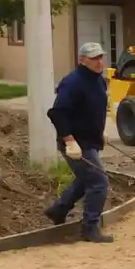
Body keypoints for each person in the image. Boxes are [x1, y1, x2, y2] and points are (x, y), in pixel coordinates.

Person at [45, 42, 114, 243]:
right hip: (76, 143)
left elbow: (93, 109)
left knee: (86, 179)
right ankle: (89, 228)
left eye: (100, 57)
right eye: (94, 58)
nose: (99, 62)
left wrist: (100, 132)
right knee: (99, 182)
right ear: (82, 60)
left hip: (90, 140)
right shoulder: (72, 83)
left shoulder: (99, 81)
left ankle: (58, 210)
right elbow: (57, 113)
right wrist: (69, 141)